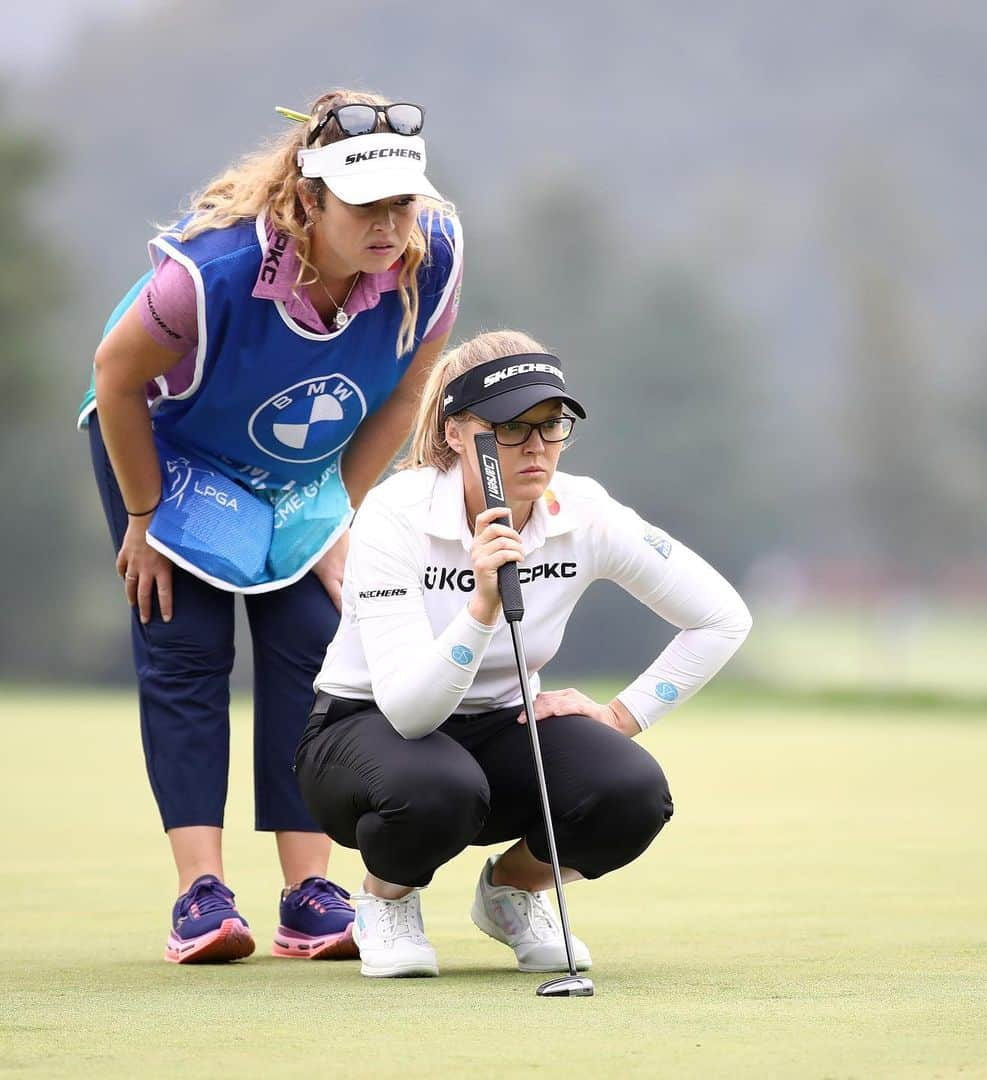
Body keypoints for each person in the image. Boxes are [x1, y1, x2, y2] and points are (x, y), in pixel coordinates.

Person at [79, 89, 463, 963]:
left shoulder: (433, 254)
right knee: (186, 643)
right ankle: (201, 895)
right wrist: (142, 515)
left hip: (296, 470)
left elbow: (406, 392)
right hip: (166, 447)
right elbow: (114, 378)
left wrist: (339, 515)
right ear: (310, 198)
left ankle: (310, 894)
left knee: (313, 640)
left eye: (401, 202)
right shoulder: (204, 278)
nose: (388, 224)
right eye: (364, 205)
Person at [294, 330, 752, 978]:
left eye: (552, 423)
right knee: (440, 788)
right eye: (510, 426)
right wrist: (480, 607)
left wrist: (623, 715)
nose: (537, 445)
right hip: (366, 730)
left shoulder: (585, 511)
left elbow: (722, 618)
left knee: (631, 791)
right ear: (457, 432)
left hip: (498, 723)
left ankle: (515, 890)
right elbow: (409, 711)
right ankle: (386, 898)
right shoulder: (397, 512)